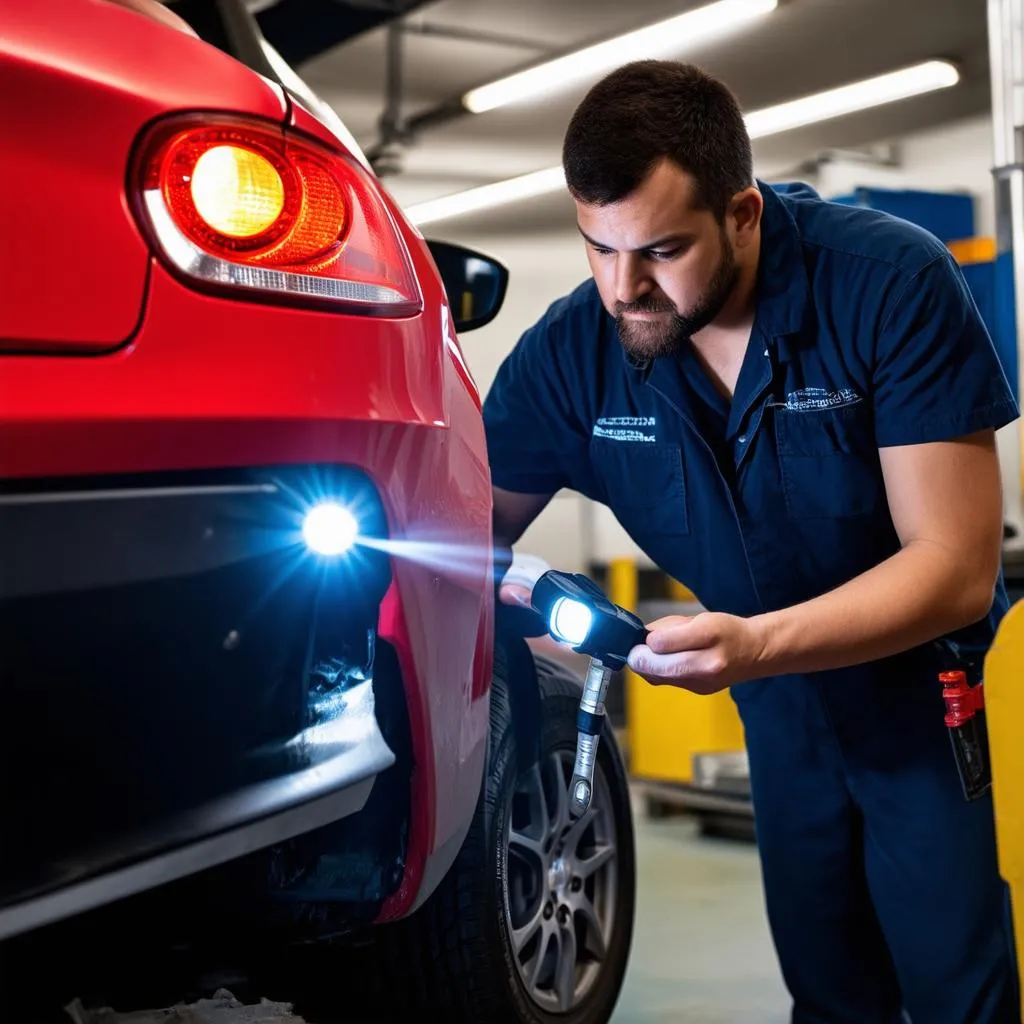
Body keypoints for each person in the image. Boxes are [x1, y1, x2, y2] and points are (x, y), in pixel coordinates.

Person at [484, 60, 1021, 1023]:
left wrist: (758, 643)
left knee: (954, 987)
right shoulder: (575, 349)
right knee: (826, 989)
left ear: (742, 213)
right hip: (776, 714)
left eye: (659, 250)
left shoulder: (888, 285)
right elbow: (463, 530)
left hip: (915, 697)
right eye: (597, 250)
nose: (624, 288)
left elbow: (954, 570)